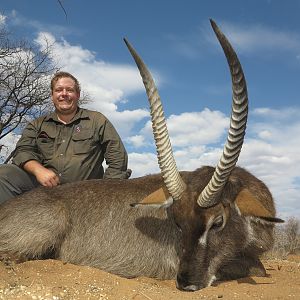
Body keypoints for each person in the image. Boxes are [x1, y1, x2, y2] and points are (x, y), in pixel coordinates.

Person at [0, 71, 131, 204]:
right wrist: (39, 171)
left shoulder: (97, 120)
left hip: (86, 192)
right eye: (58, 90)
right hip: (44, 188)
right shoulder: (37, 125)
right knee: (4, 173)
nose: (64, 94)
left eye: (69, 90)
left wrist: (107, 190)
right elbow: (23, 151)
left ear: (77, 95)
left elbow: (117, 157)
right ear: (52, 95)